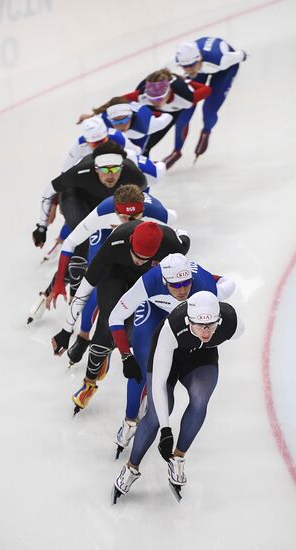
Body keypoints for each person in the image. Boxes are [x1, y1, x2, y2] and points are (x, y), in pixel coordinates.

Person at [113, 291, 243, 503]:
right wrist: (166, 430)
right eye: (200, 325)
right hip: (169, 355)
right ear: (188, 319)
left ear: (219, 319)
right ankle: (131, 467)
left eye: (211, 324)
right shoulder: (172, 327)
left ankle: (178, 458)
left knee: (201, 399)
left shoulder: (230, 321)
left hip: (201, 358)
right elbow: (158, 384)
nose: (206, 331)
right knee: (158, 415)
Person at [51, 221, 190, 415]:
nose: (139, 261)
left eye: (145, 258)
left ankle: (112, 348)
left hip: (148, 280)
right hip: (115, 273)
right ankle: (89, 382)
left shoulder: (174, 247)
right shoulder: (115, 243)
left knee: (143, 328)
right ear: (131, 242)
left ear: (158, 249)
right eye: (136, 255)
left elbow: (182, 234)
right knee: (105, 328)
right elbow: (85, 289)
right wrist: (67, 330)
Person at [109, 253, 235, 456]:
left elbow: (227, 285)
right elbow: (116, 316)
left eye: (186, 283)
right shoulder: (149, 282)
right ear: (164, 280)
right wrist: (125, 355)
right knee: (141, 364)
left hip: (185, 322)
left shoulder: (204, 287)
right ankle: (130, 420)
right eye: (176, 285)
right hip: (156, 313)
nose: (183, 290)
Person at [48, 185, 177, 367]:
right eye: (124, 217)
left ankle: (104, 339)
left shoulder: (159, 216)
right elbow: (70, 243)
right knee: (96, 286)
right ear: (115, 210)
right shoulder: (102, 213)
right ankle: (83, 335)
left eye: (135, 217)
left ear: (143, 211)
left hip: (141, 248)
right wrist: (66, 328)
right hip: (112, 242)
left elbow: (173, 225)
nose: (130, 222)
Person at [28, 142, 147, 323]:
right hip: (76, 198)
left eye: (115, 169)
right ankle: (58, 287)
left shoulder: (135, 177)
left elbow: (143, 202)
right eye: (104, 170)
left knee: (111, 244)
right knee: (82, 241)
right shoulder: (80, 172)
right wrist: (42, 226)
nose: (110, 175)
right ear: (95, 168)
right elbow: (49, 190)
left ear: (122, 167)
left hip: (111, 204)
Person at [163, 37, 247, 168]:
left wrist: (242, 55)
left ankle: (206, 131)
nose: (188, 70)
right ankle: (176, 151)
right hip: (202, 68)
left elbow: (242, 54)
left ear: (199, 59)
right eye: (184, 67)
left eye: (191, 66)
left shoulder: (222, 60)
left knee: (209, 110)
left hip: (224, 70)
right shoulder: (174, 62)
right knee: (184, 111)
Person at [123, 68, 212, 158]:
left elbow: (207, 89)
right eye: (151, 98)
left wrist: (188, 82)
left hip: (172, 112)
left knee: (150, 142)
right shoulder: (141, 94)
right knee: (139, 141)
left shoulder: (185, 96)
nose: (155, 102)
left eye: (158, 98)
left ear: (169, 93)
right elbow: (118, 101)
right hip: (149, 109)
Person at [79, 97, 173, 155]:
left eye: (124, 120)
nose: (121, 125)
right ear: (109, 119)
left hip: (140, 134)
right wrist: (90, 117)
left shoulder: (146, 125)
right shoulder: (102, 120)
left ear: (131, 116)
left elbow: (169, 116)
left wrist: (158, 109)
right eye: (115, 121)